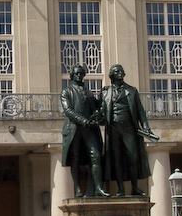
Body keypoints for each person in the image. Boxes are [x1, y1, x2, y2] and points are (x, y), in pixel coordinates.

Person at [101, 64, 158, 196]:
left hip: (129, 128)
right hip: (114, 128)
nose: (120, 73)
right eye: (117, 71)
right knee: (117, 158)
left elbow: (140, 111)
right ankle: (120, 188)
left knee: (133, 157)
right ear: (111, 75)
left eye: (121, 71)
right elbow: (102, 111)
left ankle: (134, 187)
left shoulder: (132, 91)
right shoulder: (106, 92)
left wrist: (146, 127)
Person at [60, 64, 109, 197]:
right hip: (74, 129)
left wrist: (103, 96)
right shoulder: (66, 92)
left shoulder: (88, 92)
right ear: (71, 76)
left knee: (96, 155)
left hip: (89, 130)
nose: (79, 76)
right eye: (76, 74)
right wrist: (83, 120)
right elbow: (68, 111)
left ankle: (98, 188)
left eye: (81, 74)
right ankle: (77, 188)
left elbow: (96, 106)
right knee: (75, 158)